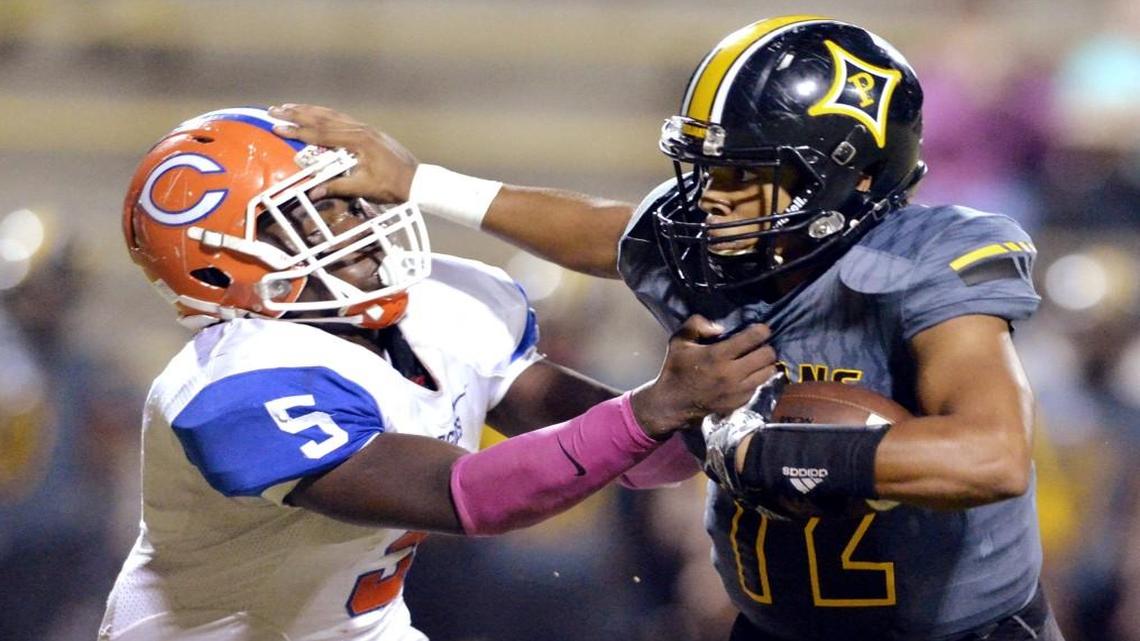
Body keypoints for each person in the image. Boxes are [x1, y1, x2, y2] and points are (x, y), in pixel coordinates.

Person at [267, 14, 1068, 641]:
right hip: (774, 626)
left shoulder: (925, 262)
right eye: (708, 168)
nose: (709, 197)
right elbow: (608, 233)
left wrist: (764, 452)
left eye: (742, 173)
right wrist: (419, 181)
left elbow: (991, 455)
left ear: (847, 179)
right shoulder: (721, 244)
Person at [99, 107, 778, 641]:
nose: (356, 218)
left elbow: (641, 457)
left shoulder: (440, 308)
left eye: (347, 198)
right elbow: (471, 495)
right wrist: (657, 406)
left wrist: (718, 414)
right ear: (219, 262)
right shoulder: (233, 387)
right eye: (310, 211)